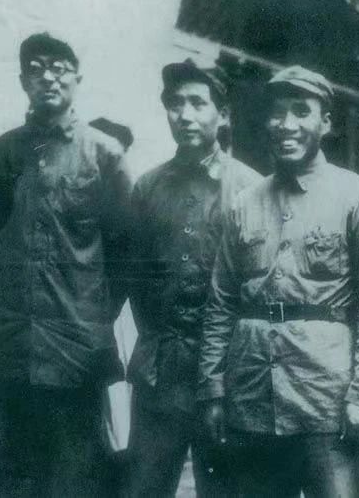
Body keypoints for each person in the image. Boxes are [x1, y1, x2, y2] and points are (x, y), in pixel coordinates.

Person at [197, 65, 359, 497]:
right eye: (277, 113)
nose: (286, 124)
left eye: (300, 111)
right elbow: (221, 303)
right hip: (252, 398)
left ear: (325, 122)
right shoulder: (244, 204)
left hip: (328, 402)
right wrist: (213, 390)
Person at [0, 32, 133, 497]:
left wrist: (89, 314)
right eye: (36, 68)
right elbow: (1, 234)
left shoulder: (105, 153)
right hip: (12, 347)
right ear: (23, 81)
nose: (48, 77)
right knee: (15, 475)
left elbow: (127, 253)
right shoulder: (5, 152)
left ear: (77, 78)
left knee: (75, 477)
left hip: (76, 351)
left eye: (59, 67)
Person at [124, 58, 260, 497]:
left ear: (224, 115)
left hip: (226, 376)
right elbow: (137, 278)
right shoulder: (147, 188)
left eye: (198, 103)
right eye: (175, 104)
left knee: (226, 490)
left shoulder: (251, 190)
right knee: (143, 487)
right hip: (160, 372)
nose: (185, 115)